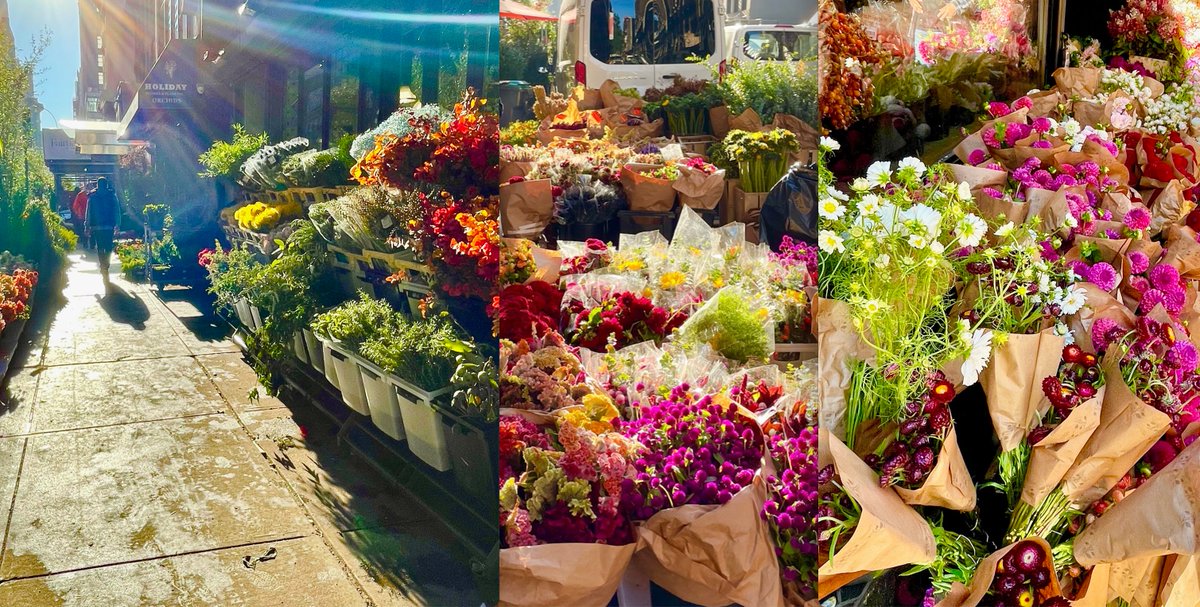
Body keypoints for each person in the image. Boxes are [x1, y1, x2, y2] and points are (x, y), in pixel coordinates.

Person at [85, 177, 121, 283]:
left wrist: (86, 226)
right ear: (106, 184)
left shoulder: (92, 196)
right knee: (109, 246)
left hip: (96, 227)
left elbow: (88, 212)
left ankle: (102, 265)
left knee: (100, 247)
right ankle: (107, 264)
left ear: (97, 185)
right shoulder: (112, 195)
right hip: (109, 226)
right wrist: (118, 224)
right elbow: (117, 210)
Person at [72, 184, 91, 248]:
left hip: (82, 216)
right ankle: (91, 242)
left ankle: (85, 243)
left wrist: (77, 213)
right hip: (90, 216)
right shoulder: (93, 194)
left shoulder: (80, 195)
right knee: (91, 229)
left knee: (83, 229)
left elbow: (75, 206)